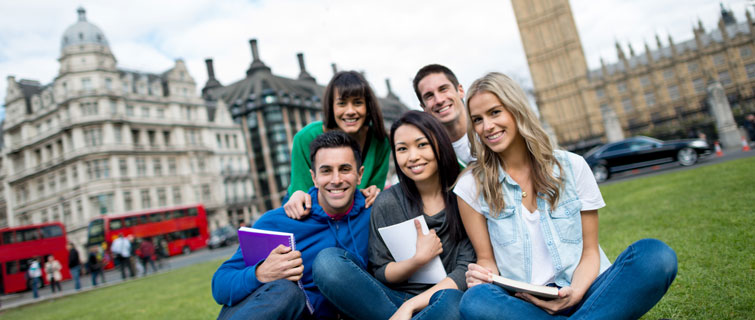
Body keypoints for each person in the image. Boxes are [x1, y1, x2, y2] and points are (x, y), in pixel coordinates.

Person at [454, 72, 678, 319]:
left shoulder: (573, 166)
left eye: (495, 112)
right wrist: (481, 276)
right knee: (475, 300)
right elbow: (487, 260)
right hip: (525, 307)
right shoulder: (471, 186)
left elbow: (590, 252)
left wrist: (576, 291)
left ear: (516, 109)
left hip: (587, 291)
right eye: (477, 119)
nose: (487, 127)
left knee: (656, 256)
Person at [314, 111, 476, 319]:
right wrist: (417, 260)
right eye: (402, 149)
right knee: (328, 263)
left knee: (453, 302)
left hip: (444, 299)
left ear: (440, 144)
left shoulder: (464, 193)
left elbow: (465, 271)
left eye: (422, 145)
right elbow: (381, 271)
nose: (413, 156)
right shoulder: (388, 202)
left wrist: (409, 309)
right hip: (393, 301)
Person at [212, 131, 372, 319]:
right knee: (286, 292)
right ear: (314, 177)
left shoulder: (374, 214)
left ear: (359, 175)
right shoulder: (277, 222)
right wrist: (260, 273)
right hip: (280, 311)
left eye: (345, 169)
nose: (336, 180)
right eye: (326, 170)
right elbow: (220, 284)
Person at [284, 71, 390, 219]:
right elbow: (301, 191)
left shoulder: (380, 140)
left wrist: (374, 192)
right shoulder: (305, 137)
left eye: (358, 103)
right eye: (342, 103)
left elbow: (373, 189)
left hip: (355, 208)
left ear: (368, 107)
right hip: (311, 209)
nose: (350, 111)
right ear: (331, 107)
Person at [413, 64, 473, 166]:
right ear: (423, 107)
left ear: (460, 91)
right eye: (429, 96)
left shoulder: (492, 129)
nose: (439, 100)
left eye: (443, 89)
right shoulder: (432, 157)